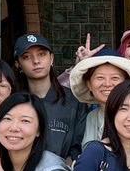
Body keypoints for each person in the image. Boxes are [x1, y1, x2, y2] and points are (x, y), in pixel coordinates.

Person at [14, 33, 86, 162]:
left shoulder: (74, 100)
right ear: (18, 64)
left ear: (51, 58)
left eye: (41, 54)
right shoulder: (14, 103)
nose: (36, 61)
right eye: (26, 57)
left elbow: (78, 146)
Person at [68, 47, 130, 147]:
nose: (107, 84)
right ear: (89, 84)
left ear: (126, 83)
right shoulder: (92, 117)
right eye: (100, 77)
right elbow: (87, 150)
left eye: (115, 78)